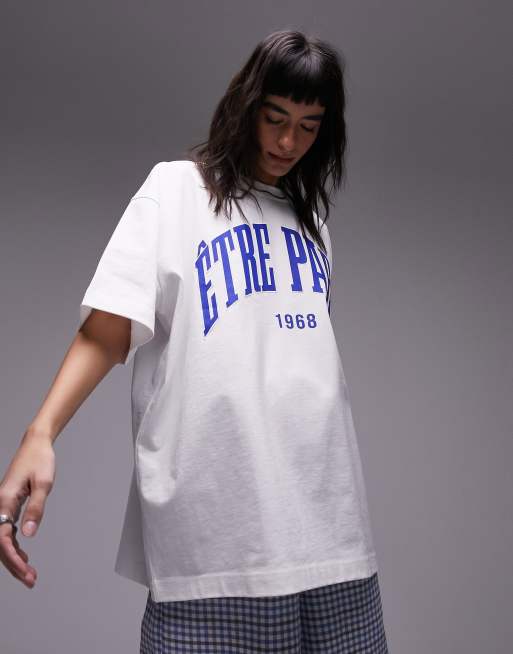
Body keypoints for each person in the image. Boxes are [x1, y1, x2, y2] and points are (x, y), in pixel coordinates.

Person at [0, 29, 389, 653]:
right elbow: (108, 330)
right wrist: (40, 433)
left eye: (309, 127)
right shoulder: (177, 191)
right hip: (216, 539)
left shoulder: (312, 225)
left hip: (332, 532)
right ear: (247, 105)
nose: (288, 142)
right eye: (275, 118)